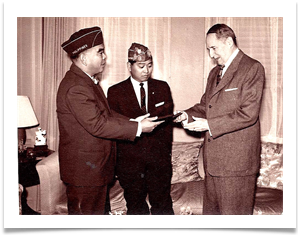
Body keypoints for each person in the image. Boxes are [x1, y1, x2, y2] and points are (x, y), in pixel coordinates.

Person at [57, 27, 163, 215]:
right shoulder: (76, 87)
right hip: (85, 175)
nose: (105, 56)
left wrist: (132, 120)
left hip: (93, 172)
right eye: (100, 51)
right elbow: (97, 124)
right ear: (83, 57)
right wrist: (137, 127)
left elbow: (106, 114)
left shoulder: (86, 82)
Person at [175, 24, 265, 215]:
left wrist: (209, 125)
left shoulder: (252, 68)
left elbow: (248, 113)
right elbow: (205, 106)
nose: (211, 55)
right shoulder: (214, 73)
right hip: (213, 164)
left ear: (229, 42)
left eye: (213, 48)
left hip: (236, 167)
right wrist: (186, 114)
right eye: (208, 50)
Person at [107, 43, 174, 215]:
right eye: (141, 66)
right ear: (129, 66)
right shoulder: (115, 92)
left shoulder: (162, 88)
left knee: (163, 207)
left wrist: (164, 155)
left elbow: (167, 127)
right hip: (130, 164)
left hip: (159, 163)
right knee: (136, 208)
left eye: (149, 66)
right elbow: (115, 127)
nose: (146, 71)